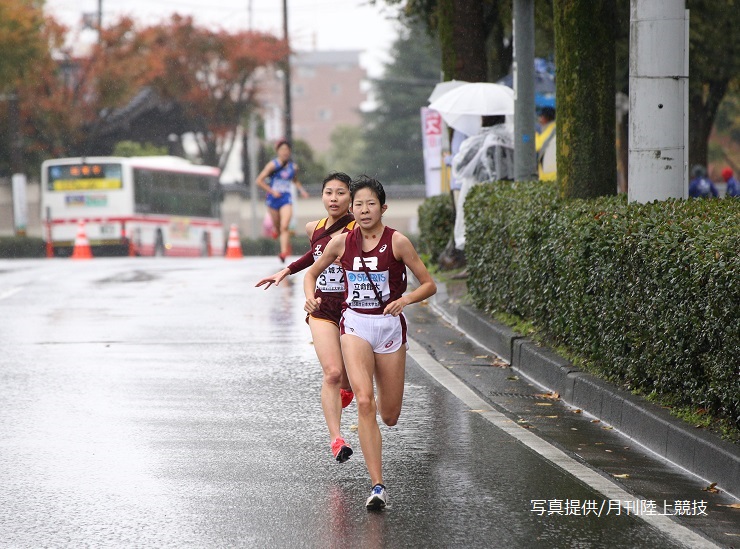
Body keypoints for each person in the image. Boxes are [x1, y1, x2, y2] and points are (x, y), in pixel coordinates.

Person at [303, 176, 437, 510]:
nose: (363, 210)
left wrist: (405, 300)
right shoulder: (340, 242)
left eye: (370, 204)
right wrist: (310, 299)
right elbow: (310, 273)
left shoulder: (398, 242)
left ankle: (378, 412)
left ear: (383, 208)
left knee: (389, 415)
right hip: (356, 325)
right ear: (353, 208)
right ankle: (377, 485)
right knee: (365, 401)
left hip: (389, 328)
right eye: (359, 205)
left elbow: (429, 284)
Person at [255, 172, 357, 463]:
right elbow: (314, 257)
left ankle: (346, 391)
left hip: (354, 310)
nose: (334, 199)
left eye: (340, 193)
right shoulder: (315, 228)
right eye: (328, 193)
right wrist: (286, 271)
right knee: (333, 373)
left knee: (349, 379)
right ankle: (337, 440)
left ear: (350, 197)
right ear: (322, 196)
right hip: (322, 308)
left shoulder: (360, 227)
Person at [256, 140, 309, 262]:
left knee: (285, 226)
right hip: (273, 199)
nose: (285, 152)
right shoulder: (272, 165)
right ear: (278, 151)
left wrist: (302, 190)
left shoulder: (293, 167)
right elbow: (259, 181)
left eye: (287, 150)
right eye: (282, 150)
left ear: (289, 152)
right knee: (278, 225)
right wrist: (272, 191)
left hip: (286, 198)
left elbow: (294, 180)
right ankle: (275, 229)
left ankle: (284, 253)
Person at [535, 106, 556, 181]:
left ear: (546, 118)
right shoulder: (551, 128)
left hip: (550, 175)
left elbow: (539, 146)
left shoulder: (552, 129)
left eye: (541, 116)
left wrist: (535, 135)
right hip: (549, 174)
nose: (539, 120)